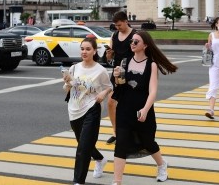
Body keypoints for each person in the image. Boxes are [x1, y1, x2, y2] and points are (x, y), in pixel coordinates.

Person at [111, 30, 178, 184]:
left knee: (148, 142)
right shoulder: (125, 61)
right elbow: (120, 86)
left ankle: (162, 165)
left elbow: (153, 91)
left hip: (142, 109)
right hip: (124, 109)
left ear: (145, 45)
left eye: (136, 42)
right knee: (121, 143)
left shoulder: (151, 64)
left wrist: (145, 110)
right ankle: (117, 181)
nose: (132, 44)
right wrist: (116, 78)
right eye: (131, 41)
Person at [62, 37, 113, 185]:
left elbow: (109, 86)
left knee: (83, 148)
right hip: (74, 110)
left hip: (92, 109)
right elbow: (67, 89)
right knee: (85, 143)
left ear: (94, 51)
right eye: (82, 49)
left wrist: (103, 94)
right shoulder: (74, 68)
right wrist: (66, 82)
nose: (84, 52)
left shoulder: (100, 70)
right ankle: (100, 159)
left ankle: (78, 181)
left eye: (88, 49)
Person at [104, 11, 136, 145]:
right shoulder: (114, 35)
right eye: (116, 25)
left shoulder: (135, 35)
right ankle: (116, 132)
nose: (118, 28)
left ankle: (131, 132)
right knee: (111, 102)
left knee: (129, 105)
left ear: (126, 21)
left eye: (119, 25)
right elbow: (109, 58)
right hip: (117, 73)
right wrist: (109, 54)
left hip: (131, 74)